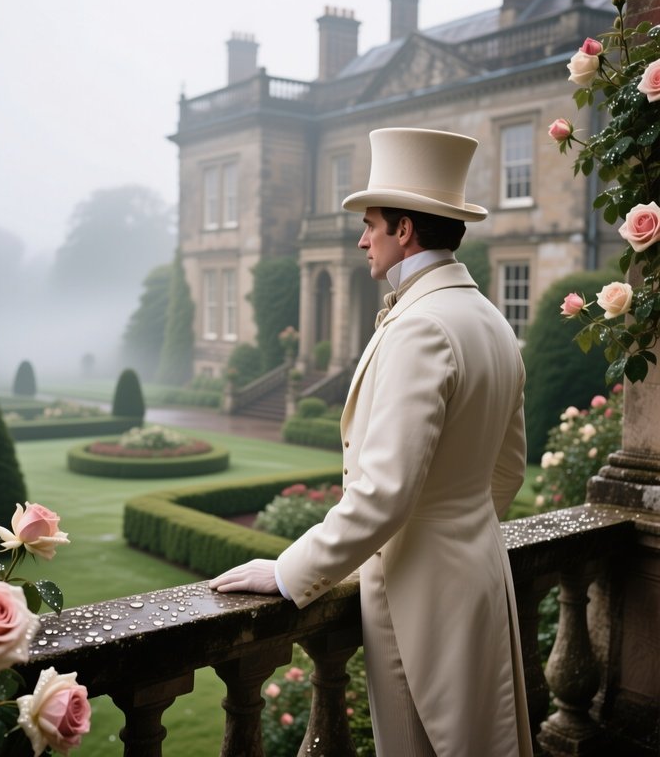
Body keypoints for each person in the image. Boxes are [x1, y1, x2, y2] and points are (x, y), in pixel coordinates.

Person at [210, 127, 533, 757]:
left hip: (421, 598)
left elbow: (384, 494)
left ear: (405, 229)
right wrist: (464, 538)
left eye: (371, 223)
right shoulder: (491, 320)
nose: (361, 238)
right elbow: (508, 471)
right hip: (481, 577)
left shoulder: (423, 328)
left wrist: (287, 572)